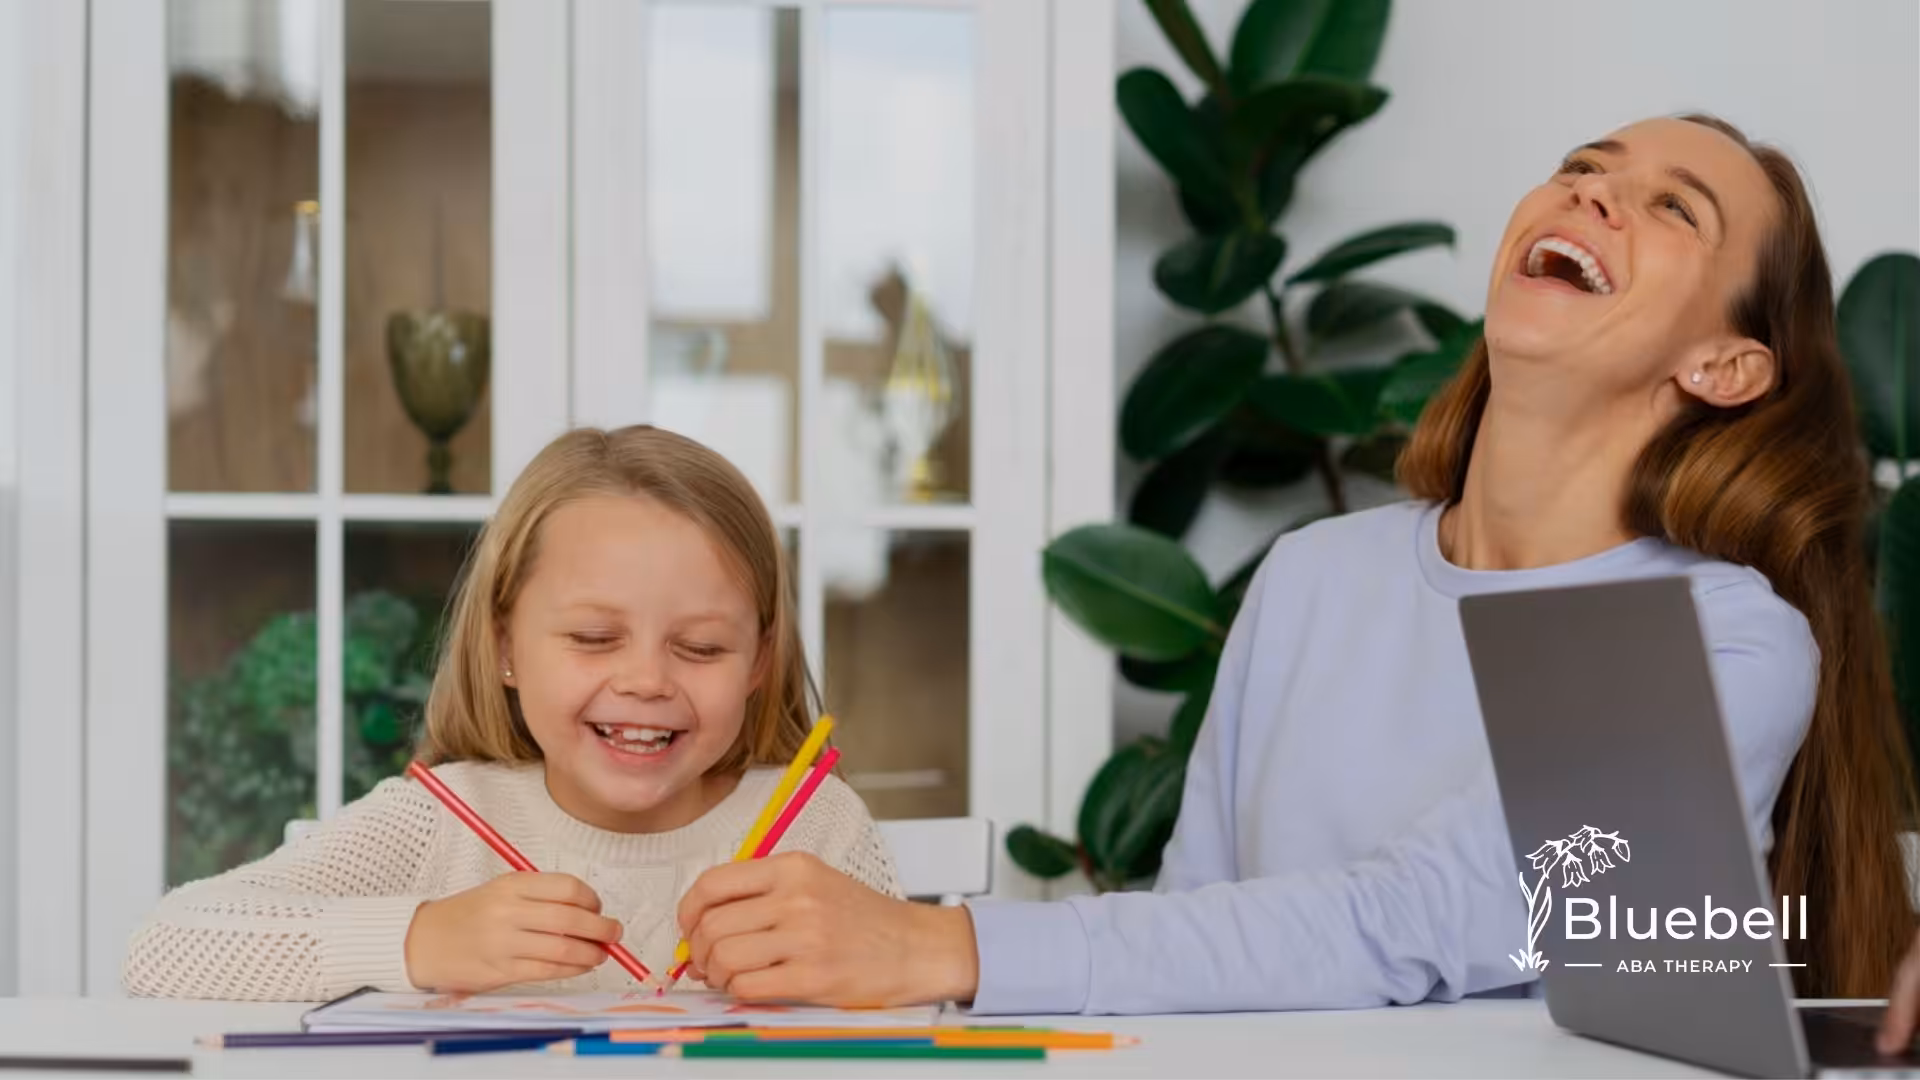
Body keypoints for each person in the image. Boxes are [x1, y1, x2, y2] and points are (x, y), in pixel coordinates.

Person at [675, 114, 1917, 1012]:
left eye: (1673, 207)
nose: (1592, 194)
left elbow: (1425, 921)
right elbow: (1191, 933)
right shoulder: (1314, 575)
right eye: (1583, 167)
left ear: (1725, 368)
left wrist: (939, 948)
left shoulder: (1728, 640)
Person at [122, 426, 899, 1001]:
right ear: (505, 648)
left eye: (700, 647)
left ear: (759, 662)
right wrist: (423, 937)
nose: (646, 681)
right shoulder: (442, 821)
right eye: (593, 638)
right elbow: (164, 949)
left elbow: (907, 1009)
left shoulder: (813, 827)